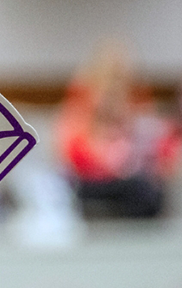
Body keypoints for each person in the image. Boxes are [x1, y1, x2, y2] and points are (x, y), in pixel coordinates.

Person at [57, 39, 180, 218]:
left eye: (121, 76)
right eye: (111, 75)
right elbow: (73, 157)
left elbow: (160, 156)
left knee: (146, 190)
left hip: (134, 185)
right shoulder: (79, 115)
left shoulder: (138, 113)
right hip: (92, 187)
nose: (115, 85)